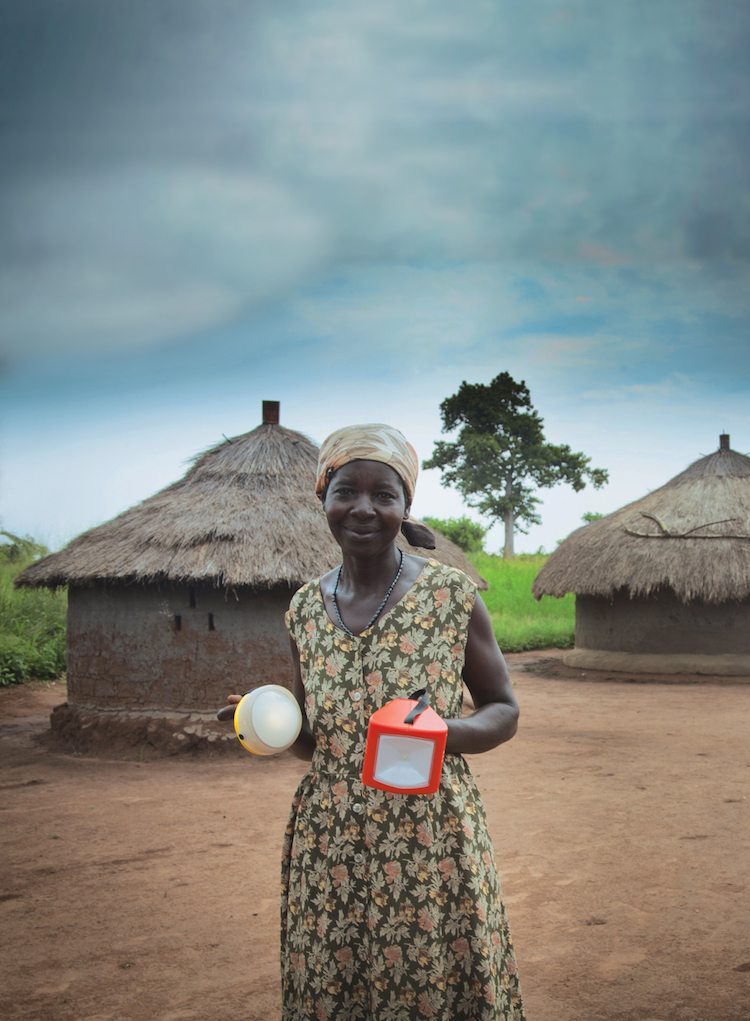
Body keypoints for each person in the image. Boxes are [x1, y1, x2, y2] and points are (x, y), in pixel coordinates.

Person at [222, 423, 524, 1021]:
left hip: (428, 835)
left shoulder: (449, 596)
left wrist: (443, 733)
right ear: (324, 499)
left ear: (404, 506)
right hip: (327, 838)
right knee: (333, 980)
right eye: (346, 492)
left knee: (429, 981)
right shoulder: (305, 608)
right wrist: (264, 723)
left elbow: (504, 710)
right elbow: (316, 742)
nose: (363, 507)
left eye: (383, 495)